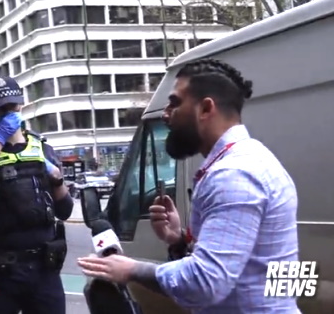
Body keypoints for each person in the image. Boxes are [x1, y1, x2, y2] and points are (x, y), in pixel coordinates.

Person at [77, 59, 300, 313]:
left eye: (174, 103)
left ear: (205, 108)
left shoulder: (234, 175)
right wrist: (179, 240)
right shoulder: (243, 161)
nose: (165, 114)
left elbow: (206, 283)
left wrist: (131, 269)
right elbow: (240, 263)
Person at [0, 76, 74, 314]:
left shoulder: (42, 148)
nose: (9, 111)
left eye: (13, 105)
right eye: (1, 108)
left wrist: (57, 179)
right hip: (2, 272)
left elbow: (65, 210)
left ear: (22, 104)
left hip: (44, 269)